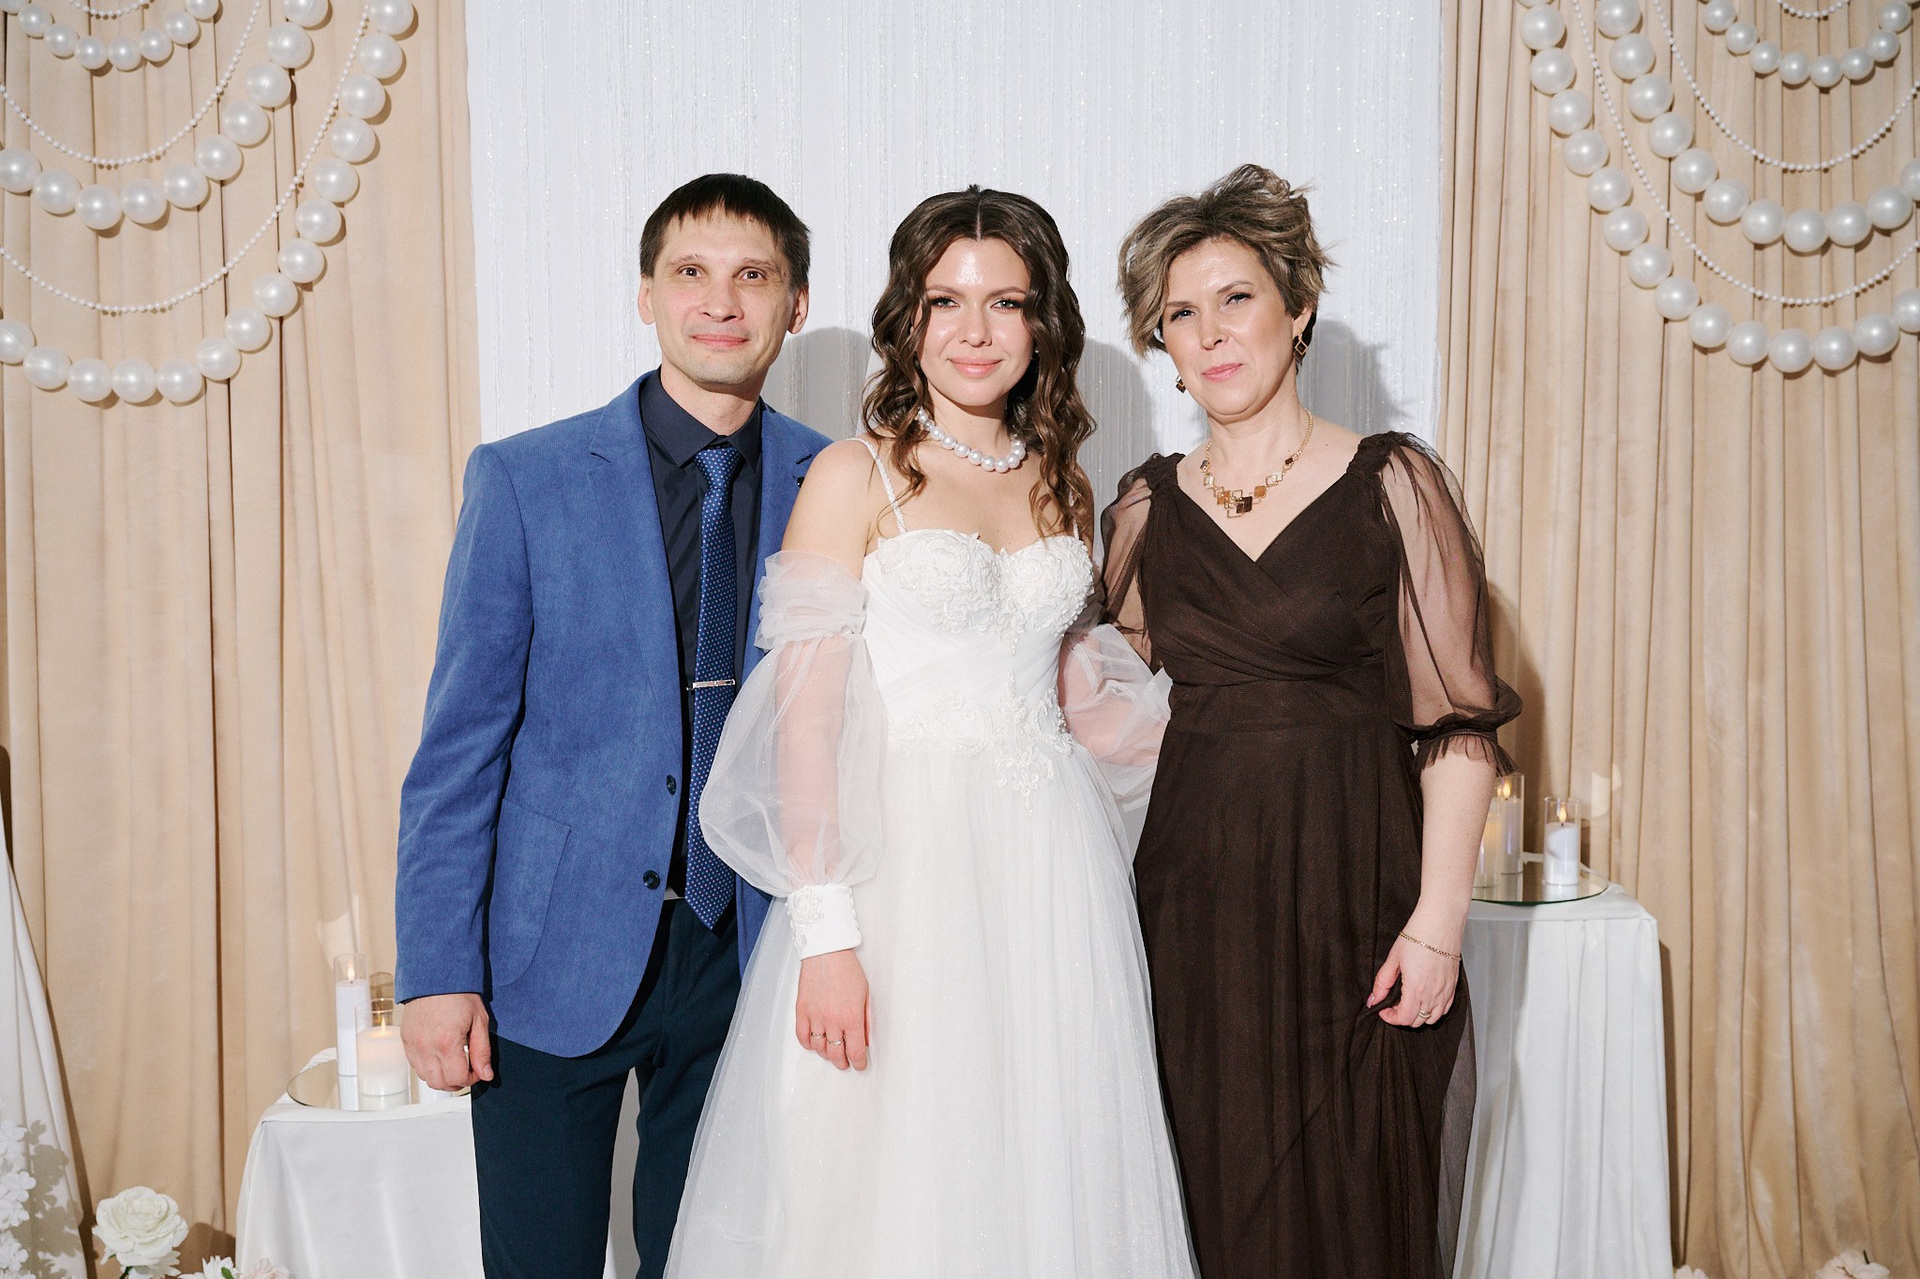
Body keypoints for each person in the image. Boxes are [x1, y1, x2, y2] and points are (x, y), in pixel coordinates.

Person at [665, 186, 1196, 1278]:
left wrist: (1249, 735)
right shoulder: (853, 474)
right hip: (903, 869)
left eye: (1006, 302)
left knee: (1047, 1160)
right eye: (945, 300)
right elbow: (805, 725)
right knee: (894, 1170)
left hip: (1049, 867)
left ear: (1043, 323)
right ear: (908, 318)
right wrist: (826, 936)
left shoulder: (1061, 480)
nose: (974, 330)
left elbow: (1075, 691)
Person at [393, 173, 832, 1279]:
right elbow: (459, 748)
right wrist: (436, 969)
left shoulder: (840, 482)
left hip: (748, 952)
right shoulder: (525, 479)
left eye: (752, 275)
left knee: (713, 1263)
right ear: (647, 296)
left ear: (796, 303)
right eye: (690, 272)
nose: (720, 301)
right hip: (550, 949)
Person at [1103, 164, 1522, 1278]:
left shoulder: (1394, 483)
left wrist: (1438, 921)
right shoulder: (1142, 510)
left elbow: (1458, 726)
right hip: (1190, 910)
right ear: (1161, 342)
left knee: (1356, 1199)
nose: (1209, 332)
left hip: (1356, 897)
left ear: (1297, 309)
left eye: (1235, 298)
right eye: (1179, 313)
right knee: (1210, 1193)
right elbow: (1102, 717)